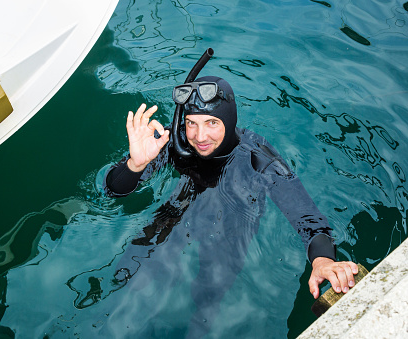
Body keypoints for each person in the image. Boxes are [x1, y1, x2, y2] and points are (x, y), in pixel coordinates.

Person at [103, 75, 358, 336]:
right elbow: (112, 192)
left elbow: (307, 217)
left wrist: (323, 260)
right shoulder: (173, 142)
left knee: (208, 300)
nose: (199, 136)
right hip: (177, 212)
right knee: (133, 274)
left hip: (231, 226)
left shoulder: (257, 157)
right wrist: (135, 165)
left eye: (212, 123)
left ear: (229, 119)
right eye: (191, 123)